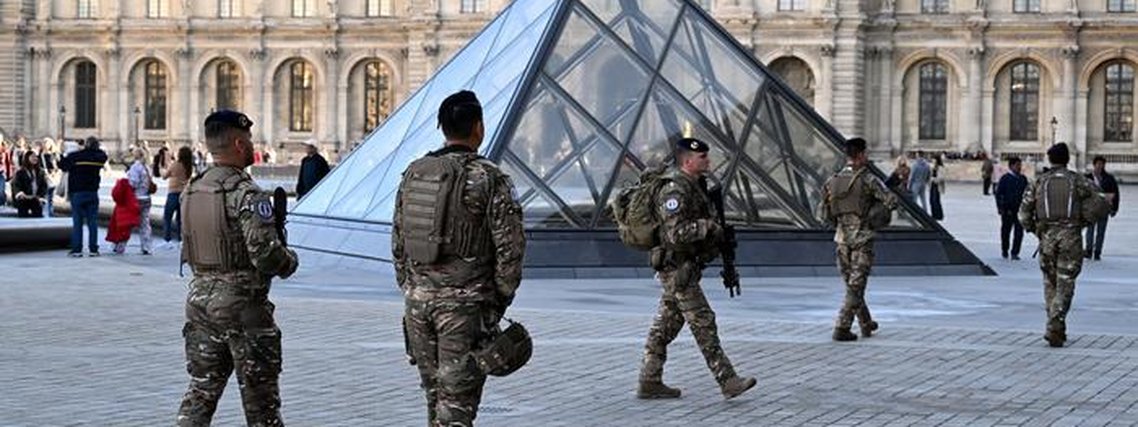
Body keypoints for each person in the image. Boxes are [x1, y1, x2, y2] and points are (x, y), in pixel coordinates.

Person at [391, 91, 526, 426]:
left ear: (442, 128)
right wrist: (497, 301)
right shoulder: (490, 177)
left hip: (418, 306)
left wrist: (414, 289)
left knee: (436, 399)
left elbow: (398, 244)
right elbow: (511, 249)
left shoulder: (414, 173)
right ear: (478, 127)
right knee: (457, 407)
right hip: (464, 310)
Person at [177, 110, 298, 426]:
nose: (251, 146)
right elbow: (266, 256)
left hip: (199, 302)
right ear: (238, 143)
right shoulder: (246, 193)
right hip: (243, 308)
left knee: (200, 394)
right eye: (248, 140)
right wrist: (289, 260)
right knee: (262, 406)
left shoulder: (192, 190)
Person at [636, 137, 757, 401]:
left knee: (666, 325)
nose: (708, 161)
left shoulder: (695, 186)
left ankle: (649, 379)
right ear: (688, 160)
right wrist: (709, 227)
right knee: (703, 322)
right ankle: (728, 380)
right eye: (703, 157)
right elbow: (676, 234)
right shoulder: (674, 191)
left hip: (685, 267)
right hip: (676, 267)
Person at [1019, 143, 1100, 348]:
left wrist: (1036, 230)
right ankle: (1056, 321)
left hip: (1047, 238)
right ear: (1067, 160)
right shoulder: (1077, 181)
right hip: (1070, 237)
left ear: (1050, 159)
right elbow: (1100, 201)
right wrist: (1083, 221)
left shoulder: (1039, 182)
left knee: (1050, 282)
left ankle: (1054, 325)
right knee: (1066, 281)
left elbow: (1023, 214)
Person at [819, 138, 898, 341]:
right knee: (856, 286)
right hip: (862, 238)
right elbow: (891, 201)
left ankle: (865, 323)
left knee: (853, 284)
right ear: (861, 155)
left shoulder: (832, 181)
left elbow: (823, 215)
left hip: (841, 239)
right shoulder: (868, 180)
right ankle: (842, 327)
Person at [59, 136, 108, 257]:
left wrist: (62, 154)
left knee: (77, 222)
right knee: (93, 222)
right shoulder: (99, 157)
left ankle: (77, 250)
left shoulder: (75, 156)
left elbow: (63, 166)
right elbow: (103, 155)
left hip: (77, 192)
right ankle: (93, 249)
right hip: (92, 192)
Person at [1084, 156, 1119, 261]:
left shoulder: (1109, 178)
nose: (1100, 166)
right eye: (1098, 164)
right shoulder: (1087, 177)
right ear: (1094, 165)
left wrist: (1114, 209)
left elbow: (1116, 194)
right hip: (1091, 209)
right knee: (1090, 231)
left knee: (1101, 232)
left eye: (1102, 164)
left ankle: (1098, 252)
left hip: (1104, 209)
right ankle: (1089, 250)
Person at [995, 157, 1028, 260]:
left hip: (1020, 209)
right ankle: (1005, 250)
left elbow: (1027, 194)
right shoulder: (1005, 178)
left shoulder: (1023, 179)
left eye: (1020, 165)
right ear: (1011, 166)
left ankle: (1015, 252)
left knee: (1019, 232)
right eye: (1017, 165)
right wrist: (1000, 207)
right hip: (1007, 209)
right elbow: (999, 194)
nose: (1019, 167)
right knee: (1006, 231)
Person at [162, 146, 193, 249]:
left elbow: (164, 176)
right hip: (184, 194)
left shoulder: (175, 165)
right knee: (180, 219)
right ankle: (181, 240)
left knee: (167, 217)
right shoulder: (189, 166)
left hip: (173, 193)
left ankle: (167, 240)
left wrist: (164, 167)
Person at [127, 148, 155, 255]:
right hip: (147, 198)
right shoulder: (147, 167)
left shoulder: (135, 167)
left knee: (127, 222)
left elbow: (133, 183)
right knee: (145, 223)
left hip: (136, 198)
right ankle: (147, 246)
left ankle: (119, 245)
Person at [106, 176, 140, 254]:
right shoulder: (130, 190)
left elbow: (115, 195)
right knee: (125, 233)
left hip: (119, 213)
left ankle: (115, 246)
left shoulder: (120, 186)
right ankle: (120, 247)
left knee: (116, 230)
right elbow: (134, 207)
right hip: (128, 215)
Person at [12, 151, 48, 218]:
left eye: (36, 156)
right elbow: (16, 184)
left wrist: (41, 196)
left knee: (38, 216)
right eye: (32, 156)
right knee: (23, 217)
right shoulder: (20, 172)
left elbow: (44, 185)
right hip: (24, 198)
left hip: (36, 198)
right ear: (27, 158)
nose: (35, 158)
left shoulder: (41, 172)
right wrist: (20, 194)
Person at [929, 155, 945, 220]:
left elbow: (942, 178)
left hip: (937, 186)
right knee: (931, 200)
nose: (933, 161)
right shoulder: (932, 167)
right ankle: (933, 214)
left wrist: (934, 179)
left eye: (934, 160)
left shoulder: (940, 168)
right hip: (932, 185)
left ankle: (939, 215)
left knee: (936, 200)